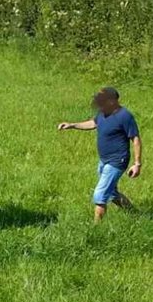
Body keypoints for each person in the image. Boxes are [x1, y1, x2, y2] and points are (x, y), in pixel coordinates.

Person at [58, 87, 142, 222]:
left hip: (117, 161)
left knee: (100, 194)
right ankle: (134, 214)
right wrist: (72, 125)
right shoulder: (103, 113)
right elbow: (93, 123)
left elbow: (136, 139)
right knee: (111, 193)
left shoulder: (125, 116)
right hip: (104, 160)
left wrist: (137, 164)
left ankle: (97, 228)